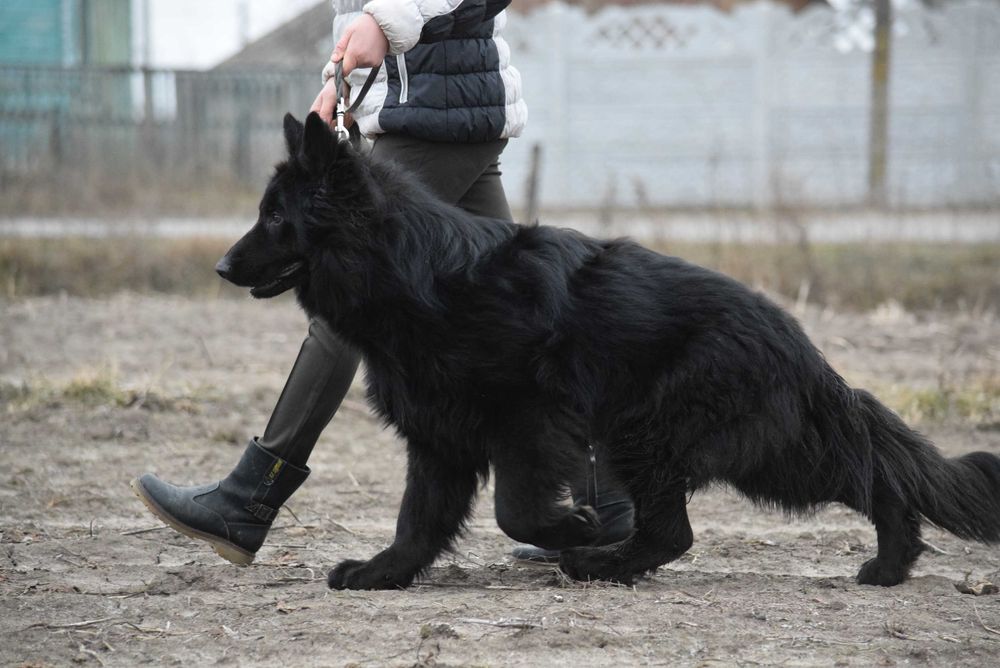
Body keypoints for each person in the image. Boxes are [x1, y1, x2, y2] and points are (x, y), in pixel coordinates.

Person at [131, 0, 631, 567]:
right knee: (526, 314)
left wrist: (383, 24)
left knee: (351, 296)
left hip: (434, 109)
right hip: (441, 102)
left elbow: (393, 10)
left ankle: (248, 498)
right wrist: (341, 80)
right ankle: (608, 506)